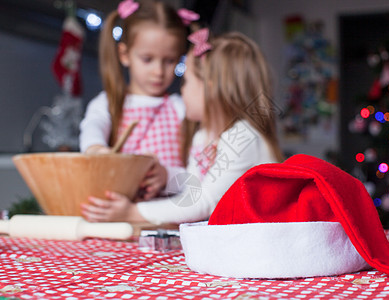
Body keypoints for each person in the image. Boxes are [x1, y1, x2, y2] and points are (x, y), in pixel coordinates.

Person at [81, 29, 285, 224]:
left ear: (209, 88)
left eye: (186, 81)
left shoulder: (241, 137)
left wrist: (133, 212)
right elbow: (194, 184)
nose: (182, 90)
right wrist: (164, 177)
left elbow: (203, 202)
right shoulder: (204, 136)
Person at [79, 0, 187, 200]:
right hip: (119, 214)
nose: (158, 72)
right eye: (147, 59)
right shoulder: (108, 103)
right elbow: (93, 126)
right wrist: (96, 149)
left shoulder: (181, 108)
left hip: (166, 217)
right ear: (125, 54)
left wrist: (167, 177)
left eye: (169, 60)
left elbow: (199, 179)